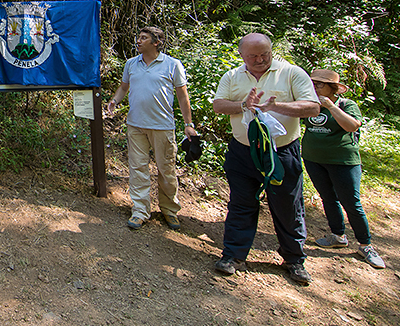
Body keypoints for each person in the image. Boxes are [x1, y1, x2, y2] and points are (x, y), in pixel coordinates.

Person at [211, 33, 320, 285]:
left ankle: (295, 259)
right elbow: (218, 105)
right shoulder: (232, 76)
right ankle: (233, 256)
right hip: (243, 151)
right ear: (242, 56)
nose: (260, 60)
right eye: (253, 56)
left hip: (281, 151)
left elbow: (313, 107)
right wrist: (243, 105)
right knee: (241, 203)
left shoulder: (292, 73)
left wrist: (275, 107)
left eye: (265, 54)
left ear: (272, 51)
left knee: (287, 205)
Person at [106, 27, 198, 230]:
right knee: (138, 169)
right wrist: (114, 100)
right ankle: (140, 211)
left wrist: (188, 124)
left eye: (143, 38)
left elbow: (183, 96)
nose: (138, 41)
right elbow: (123, 87)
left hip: (162, 126)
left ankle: (169, 210)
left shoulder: (172, 64)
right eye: (138, 37)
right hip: (135, 125)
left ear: (156, 42)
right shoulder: (131, 63)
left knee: (166, 170)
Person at [302, 69, 385, 269]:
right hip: (313, 159)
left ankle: (366, 245)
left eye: (319, 85)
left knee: (351, 203)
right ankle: (337, 235)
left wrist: (330, 106)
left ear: (334, 88)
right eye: (312, 84)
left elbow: (352, 126)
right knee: (328, 198)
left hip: (342, 161)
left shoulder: (346, 105)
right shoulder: (310, 104)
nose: (315, 88)